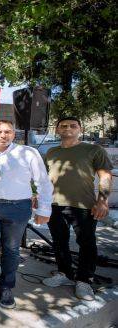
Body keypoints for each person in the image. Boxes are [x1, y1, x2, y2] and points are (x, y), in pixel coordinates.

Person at [0, 120, 53, 309]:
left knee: (11, 249)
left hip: (17, 208)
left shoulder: (28, 153)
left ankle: (6, 287)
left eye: (8, 131)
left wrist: (44, 209)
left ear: (14, 134)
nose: (3, 135)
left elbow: (43, 182)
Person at [42, 117, 114, 300]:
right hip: (54, 205)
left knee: (87, 243)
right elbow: (44, 179)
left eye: (73, 126)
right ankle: (64, 273)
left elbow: (105, 176)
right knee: (59, 242)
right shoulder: (51, 152)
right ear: (57, 130)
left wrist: (103, 201)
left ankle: (84, 280)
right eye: (63, 126)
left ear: (80, 129)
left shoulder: (93, 150)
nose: (68, 128)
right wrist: (39, 198)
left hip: (84, 206)